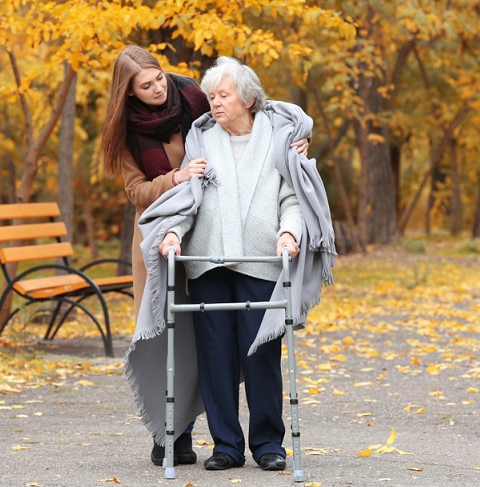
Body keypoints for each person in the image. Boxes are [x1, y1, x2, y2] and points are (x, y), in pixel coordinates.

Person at [136, 57, 336, 472]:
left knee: (261, 352)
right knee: (215, 354)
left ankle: (267, 444)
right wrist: (173, 231)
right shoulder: (202, 137)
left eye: (223, 95)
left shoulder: (279, 137)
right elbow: (189, 194)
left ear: (246, 98)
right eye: (210, 97)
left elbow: (291, 197)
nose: (214, 103)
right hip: (207, 261)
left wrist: (290, 233)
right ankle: (226, 445)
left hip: (261, 260)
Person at [100, 45, 211, 466]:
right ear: (129, 94)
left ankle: (190, 428)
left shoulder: (196, 98)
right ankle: (167, 435)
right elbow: (137, 193)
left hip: (203, 232)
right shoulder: (127, 130)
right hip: (155, 238)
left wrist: (299, 136)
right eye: (145, 87)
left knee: (201, 334)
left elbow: (252, 115)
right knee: (163, 334)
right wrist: (176, 178)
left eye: (159, 78)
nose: (158, 89)